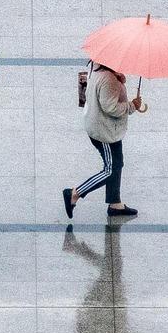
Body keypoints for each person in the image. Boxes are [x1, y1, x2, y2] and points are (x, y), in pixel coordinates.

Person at [62, 62, 144, 220]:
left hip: (106, 127)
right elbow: (111, 108)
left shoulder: (98, 66)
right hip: (104, 131)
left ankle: (115, 203)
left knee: (117, 163)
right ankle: (74, 193)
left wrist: (118, 79)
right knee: (110, 170)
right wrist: (132, 105)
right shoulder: (108, 79)